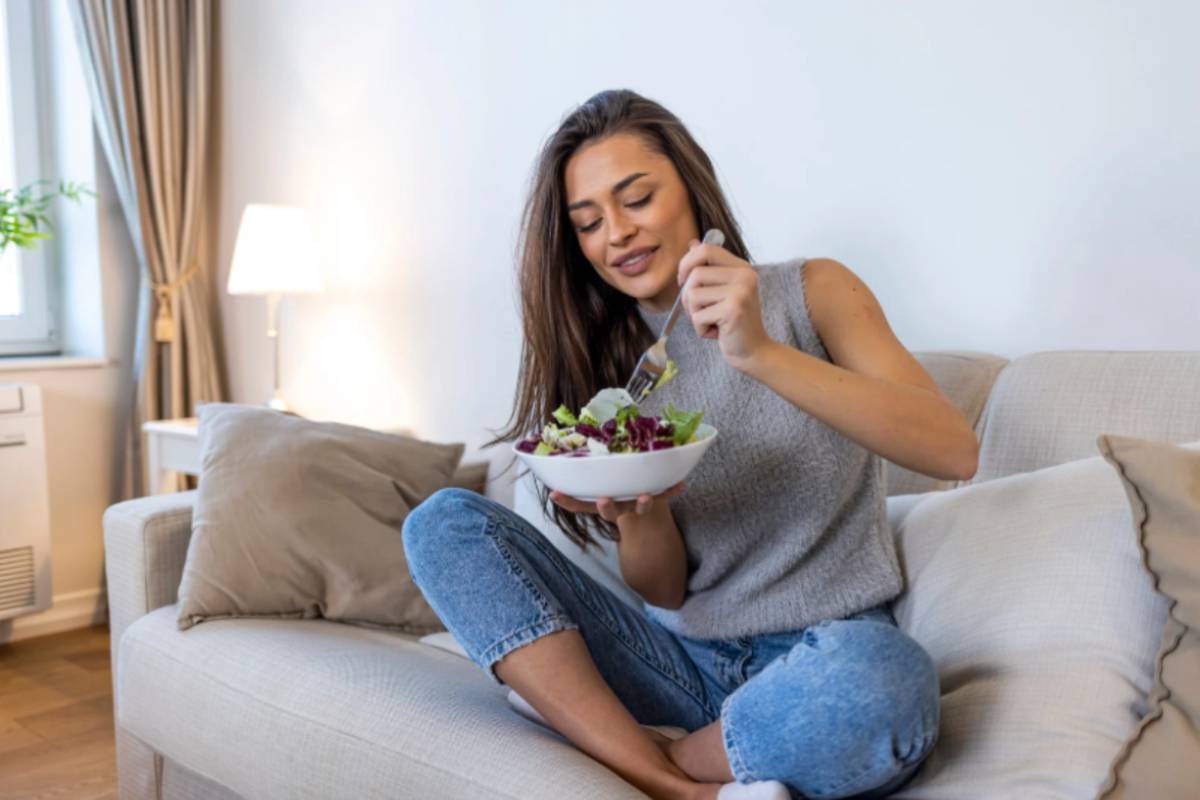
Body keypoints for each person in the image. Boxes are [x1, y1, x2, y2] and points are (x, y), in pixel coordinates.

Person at [402, 88, 979, 800]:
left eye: (636, 198)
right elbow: (664, 588)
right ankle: (675, 781)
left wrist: (758, 350)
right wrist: (637, 514)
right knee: (442, 524)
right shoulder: (609, 371)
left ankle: (659, 757)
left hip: (818, 663)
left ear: (690, 189)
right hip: (677, 663)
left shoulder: (812, 292)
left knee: (888, 680)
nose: (615, 233)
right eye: (587, 223)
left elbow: (954, 449)